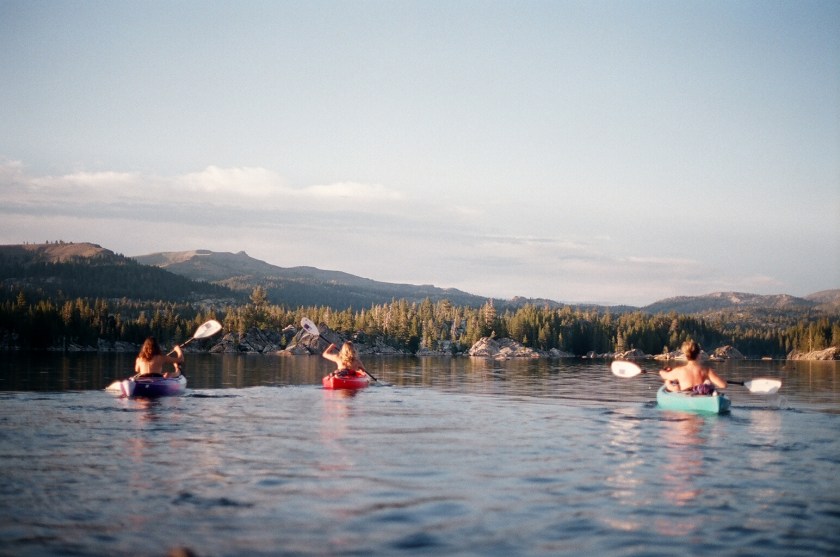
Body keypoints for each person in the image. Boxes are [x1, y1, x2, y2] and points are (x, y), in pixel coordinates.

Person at [660, 340, 727, 394]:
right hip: (700, 396)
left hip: (685, 396)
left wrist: (662, 371)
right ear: (699, 355)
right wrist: (712, 379)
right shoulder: (706, 370)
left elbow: (665, 375)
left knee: (669, 384)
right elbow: (723, 385)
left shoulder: (679, 371)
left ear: (686, 355)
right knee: (709, 385)